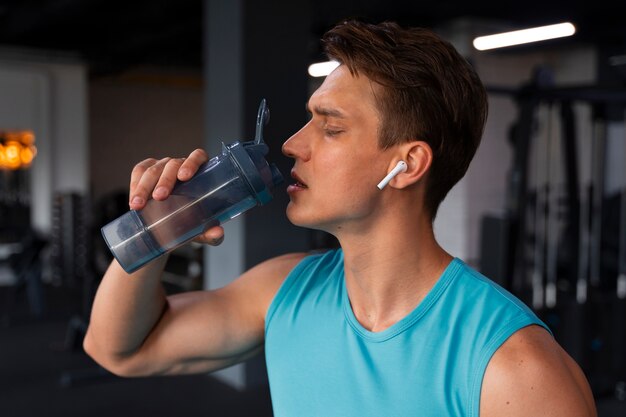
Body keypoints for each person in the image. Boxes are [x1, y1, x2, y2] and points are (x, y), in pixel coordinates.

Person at [84, 20, 597, 417]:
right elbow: (119, 351)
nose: (291, 144)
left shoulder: (516, 368)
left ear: (406, 165)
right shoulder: (284, 289)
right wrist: (161, 224)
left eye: (330, 128)